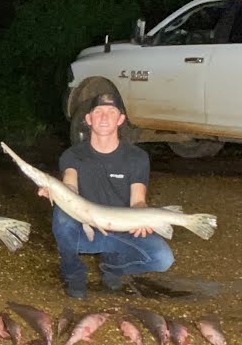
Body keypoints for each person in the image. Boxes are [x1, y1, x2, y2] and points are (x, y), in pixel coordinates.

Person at [47, 92, 173, 298]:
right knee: (62, 212)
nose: (104, 118)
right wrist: (57, 190)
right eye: (98, 112)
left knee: (162, 259)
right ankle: (74, 274)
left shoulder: (137, 157)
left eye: (111, 112)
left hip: (121, 230)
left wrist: (143, 218)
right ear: (88, 119)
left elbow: (138, 201)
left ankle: (112, 268)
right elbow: (70, 187)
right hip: (86, 231)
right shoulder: (72, 155)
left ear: (120, 119)